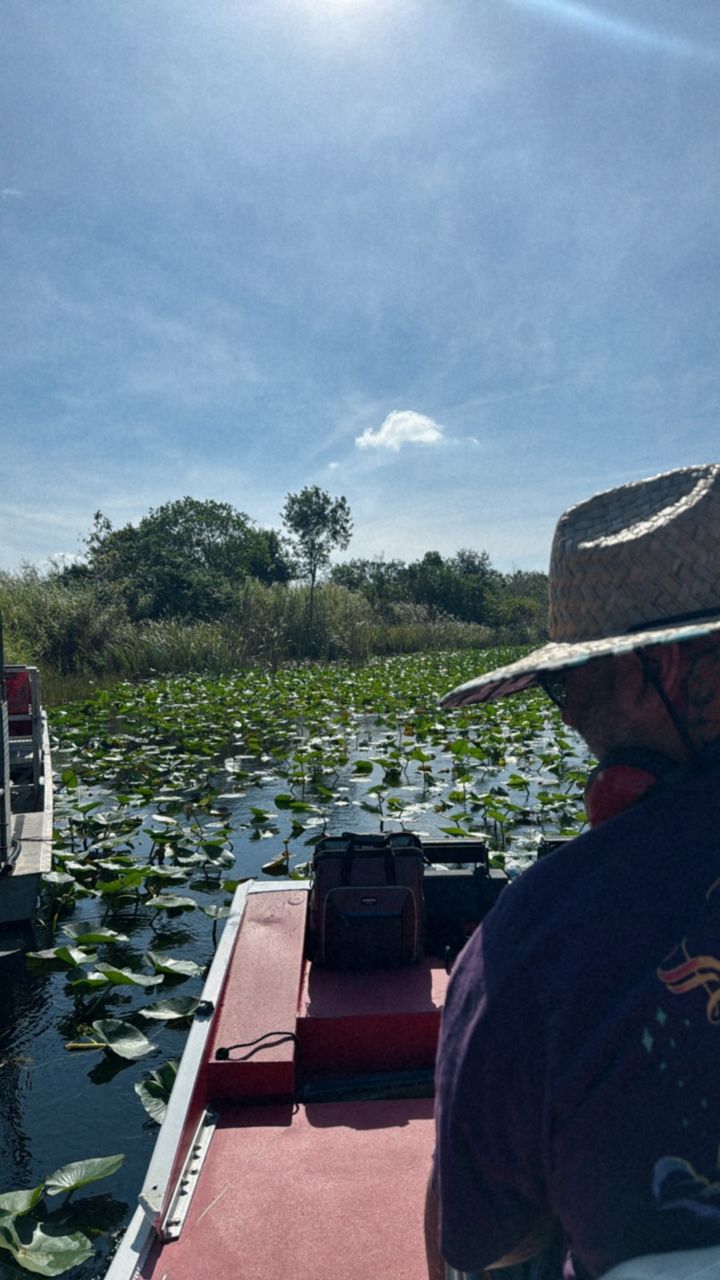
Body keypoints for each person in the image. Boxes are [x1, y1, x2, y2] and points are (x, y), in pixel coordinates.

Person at [426, 464, 720, 1280]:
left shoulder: (535, 945)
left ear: (699, 677)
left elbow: (484, 1246)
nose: (571, 714)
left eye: (573, 680)